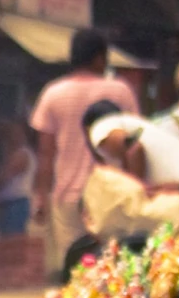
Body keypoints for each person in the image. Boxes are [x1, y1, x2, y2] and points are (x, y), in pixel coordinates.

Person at [29, 29, 140, 277]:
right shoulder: (120, 91)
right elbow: (134, 146)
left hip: (68, 196)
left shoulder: (52, 93)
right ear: (100, 57)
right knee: (115, 269)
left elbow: (45, 154)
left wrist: (40, 196)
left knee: (75, 270)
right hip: (114, 194)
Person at [81, 109, 179, 242]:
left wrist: (138, 189)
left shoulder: (99, 129)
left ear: (87, 129)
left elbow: (134, 148)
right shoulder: (131, 123)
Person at [0, 127, 36, 241]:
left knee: (12, 241)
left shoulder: (21, 155)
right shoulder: (15, 154)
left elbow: (3, 178)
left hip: (16, 205)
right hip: (10, 205)